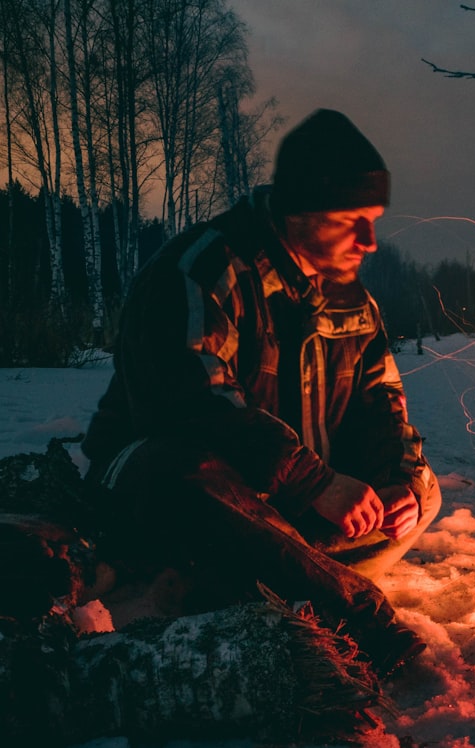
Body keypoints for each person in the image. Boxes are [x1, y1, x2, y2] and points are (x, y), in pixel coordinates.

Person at [81, 109, 441, 673]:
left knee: (425, 487)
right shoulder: (201, 268)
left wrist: (397, 482)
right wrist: (314, 481)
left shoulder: (354, 303)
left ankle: (263, 577)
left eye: (373, 219)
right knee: (184, 468)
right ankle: (350, 610)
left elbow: (383, 405)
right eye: (352, 220)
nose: (370, 242)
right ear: (299, 212)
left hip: (281, 513)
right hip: (168, 488)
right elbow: (189, 404)